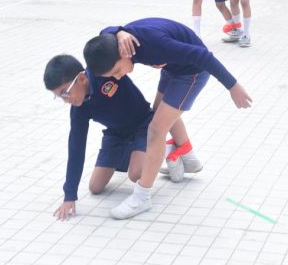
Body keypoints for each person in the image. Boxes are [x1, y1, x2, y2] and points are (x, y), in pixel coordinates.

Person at [83, 18, 253, 219]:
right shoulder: (118, 41)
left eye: (118, 71)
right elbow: (105, 31)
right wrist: (119, 31)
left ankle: (142, 197)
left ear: (122, 52)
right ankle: (188, 158)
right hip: (172, 68)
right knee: (159, 115)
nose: (119, 77)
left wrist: (233, 86)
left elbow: (203, 56)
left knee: (156, 129)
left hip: (192, 72)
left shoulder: (154, 45)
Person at [43, 55, 160, 221]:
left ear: (82, 78)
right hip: (116, 134)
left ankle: (159, 149)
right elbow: (76, 148)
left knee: (136, 174)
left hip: (143, 125)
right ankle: (134, 152)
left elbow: (113, 50)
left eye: (65, 93)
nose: (65, 101)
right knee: (95, 187)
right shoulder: (79, 109)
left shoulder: (104, 72)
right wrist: (70, 195)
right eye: (59, 97)